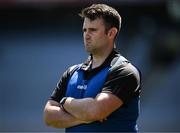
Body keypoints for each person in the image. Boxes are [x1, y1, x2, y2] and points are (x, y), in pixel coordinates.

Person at [44, 3, 141, 132]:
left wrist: (65, 102)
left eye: (93, 30)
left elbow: (96, 111)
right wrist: (83, 117)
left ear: (111, 33)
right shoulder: (72, 72)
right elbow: (49, 116)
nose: (86, 35)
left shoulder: (124, 71)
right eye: (85, 30)